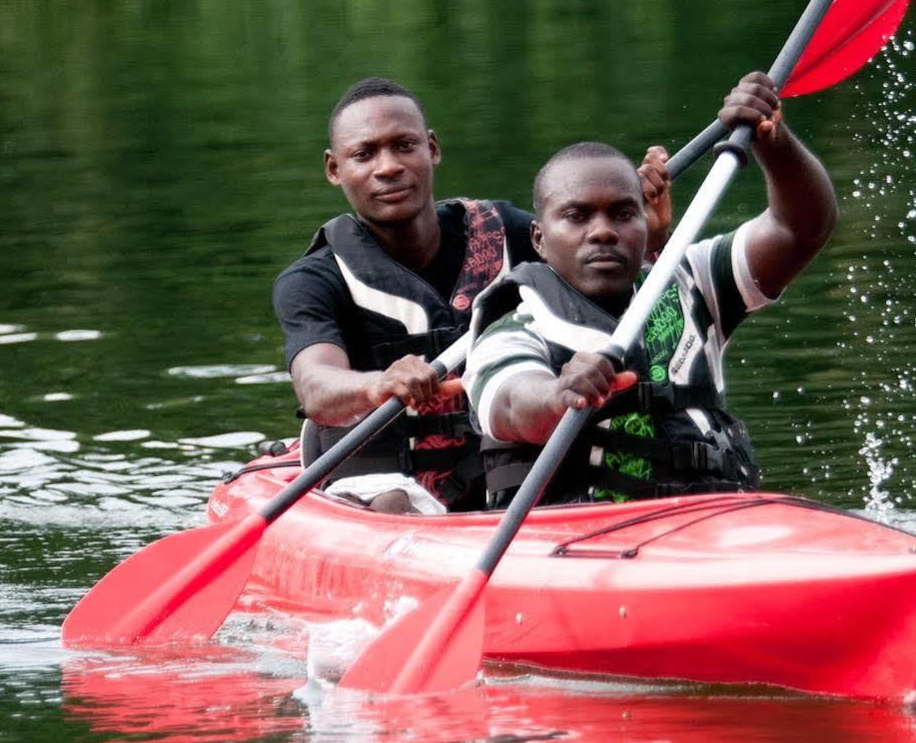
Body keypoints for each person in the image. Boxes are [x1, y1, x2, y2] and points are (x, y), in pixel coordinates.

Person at [273, 77, 668, 513]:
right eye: (364, 154)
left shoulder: (511, 233)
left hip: (506, 462)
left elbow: (610, 287)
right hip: (382, 475)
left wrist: (644, 234)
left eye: (404, 146)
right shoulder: (312, 279)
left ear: (432, 149)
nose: (387, 167)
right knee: (392, 502)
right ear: (334, 169)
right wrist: (378, 384)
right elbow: (315, 384)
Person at [465, 72, 838, 508]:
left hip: (712, 523)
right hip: (576, 544)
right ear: (539, 239)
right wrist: (557, 395)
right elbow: (512, 405)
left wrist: (773, 143)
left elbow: (803, 228)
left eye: (623, 213)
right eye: (577, 216)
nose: (603, 231)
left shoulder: (693, 282)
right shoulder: (513, 327)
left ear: (647, 225)